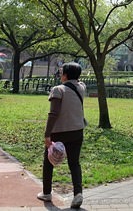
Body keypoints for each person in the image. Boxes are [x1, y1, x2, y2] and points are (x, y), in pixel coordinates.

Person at [37, 62, 86, 209]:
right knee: (74, 163)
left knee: (49, 161)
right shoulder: (81, 87)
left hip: (59, 132)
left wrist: (47, 135)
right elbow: (79, 81)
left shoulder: (58, 90)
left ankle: (46, 193)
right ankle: (78, 193)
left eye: (61, 72)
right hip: (77, 130)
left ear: (65, 75)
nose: (60, 74)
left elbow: (53, 114)